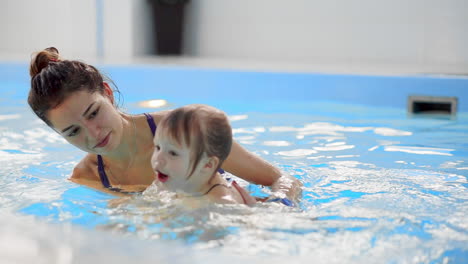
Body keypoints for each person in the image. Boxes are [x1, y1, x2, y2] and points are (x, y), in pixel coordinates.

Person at [28, 47, 302, 200]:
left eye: (93, 113)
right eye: (73, 131)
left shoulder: (185, 128)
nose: (93, 133)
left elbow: (282, 180)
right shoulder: (88, 177)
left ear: (108, 94)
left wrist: (275, 213)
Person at [151, 104, 256, 205]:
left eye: (173, 153)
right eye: (158, 147)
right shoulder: (169, 181)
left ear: (207, 164)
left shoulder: (221, 203)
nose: (158, 158)